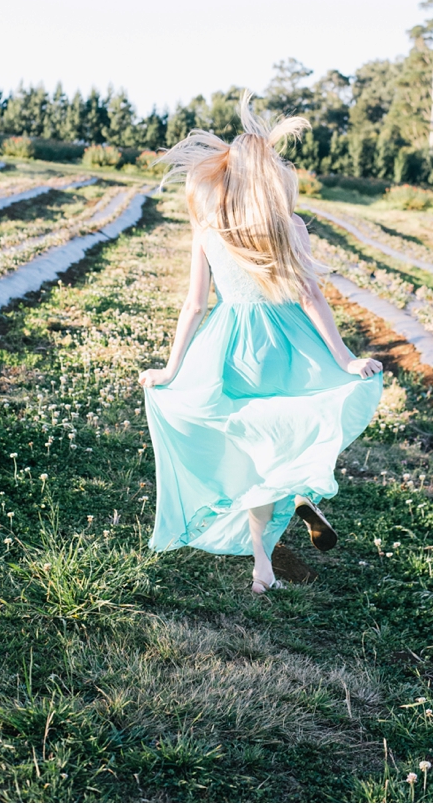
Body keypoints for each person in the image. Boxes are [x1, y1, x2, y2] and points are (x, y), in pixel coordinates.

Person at [139, 93, 383, 595]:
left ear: (226, 176)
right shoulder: (289, 226)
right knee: (295, 421)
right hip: (289, 342)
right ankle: (298, 495)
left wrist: (169, 369)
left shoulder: (208, 231)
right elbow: (312, 294)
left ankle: (262, 566)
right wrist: (343, 357)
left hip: (234, 346)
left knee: (251, 450)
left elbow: (195, 305)